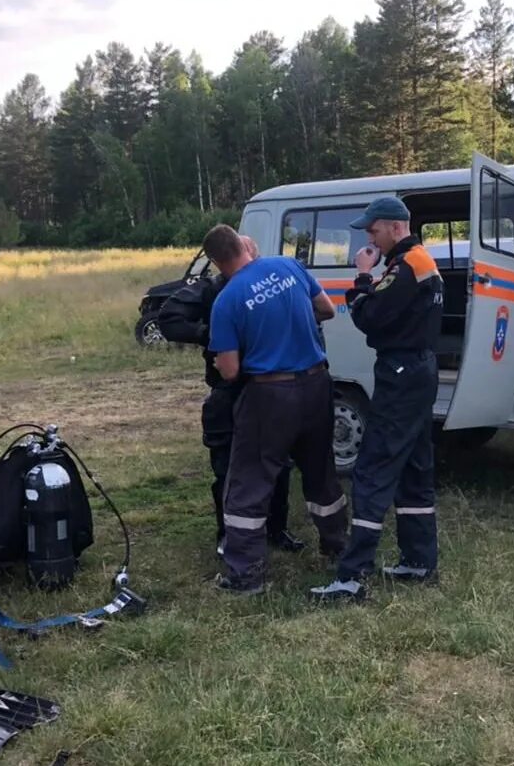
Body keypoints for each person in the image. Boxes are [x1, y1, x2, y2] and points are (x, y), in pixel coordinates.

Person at [202, 224, 349, 595]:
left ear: (218, 262)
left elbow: (231, 370)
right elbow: (327, 310)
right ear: (244, 245)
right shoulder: (289, 266)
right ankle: (338, 548)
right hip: (317, 384)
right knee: (321, 472)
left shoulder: (227, 300)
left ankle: (247, 575)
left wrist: (226, 360)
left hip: (270, 395)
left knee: (248, 481)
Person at [310, 196, 444, 602]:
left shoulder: (405, 267)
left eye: (373, 230)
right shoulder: (422, 261)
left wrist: (363, 276)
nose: (369, 238)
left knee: (373, 468)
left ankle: (352, 577)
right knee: (416, 466)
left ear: (395, 227)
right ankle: (419, 560)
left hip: (401, 373)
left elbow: (367, 317)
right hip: (420, 369)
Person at [156, 236, 304, 557]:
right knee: (228, 468)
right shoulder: (213, 289)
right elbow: (168, 317)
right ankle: (228, 535)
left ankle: (276, 529)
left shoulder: (271, 282)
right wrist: (210, 336)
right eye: (245, 252)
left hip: (269, 387)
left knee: (278, 464)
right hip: (230, 391)